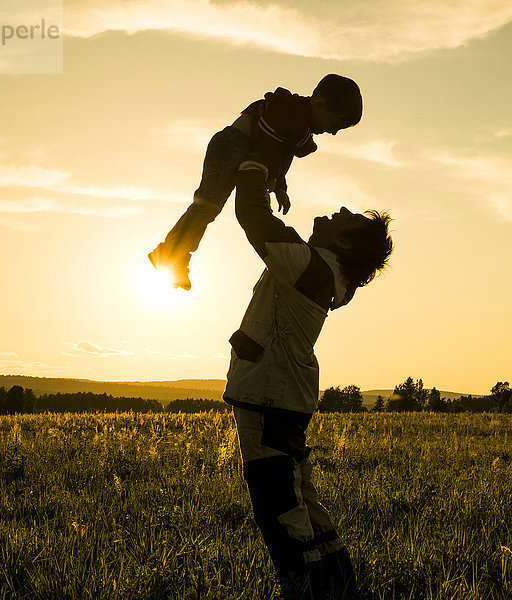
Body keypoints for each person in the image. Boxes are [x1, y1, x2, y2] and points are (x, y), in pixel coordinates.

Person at [223, 160, 393, 599]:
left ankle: (306, 590)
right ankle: (340, 587)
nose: (337, 209)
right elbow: (280, 232)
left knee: (279, 505)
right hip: (284, 397)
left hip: (268, 396)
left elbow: (254, 219)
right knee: (303, 502)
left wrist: (254, 167)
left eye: (346, 217)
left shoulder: (311, 268)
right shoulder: (329, 275)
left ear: (344, 241)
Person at [148, 74, 363, 290]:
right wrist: (266, 176)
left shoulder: (300, 125)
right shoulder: (290, 108)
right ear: (319, 104)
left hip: (243, 151)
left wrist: (279, 186)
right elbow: (267, 142)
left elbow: (281, 155)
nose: (333, 132)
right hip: (232, 145)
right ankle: (172, 253)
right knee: (208, 204)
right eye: (335, 123)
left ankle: (172, 252)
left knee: (209, 207)